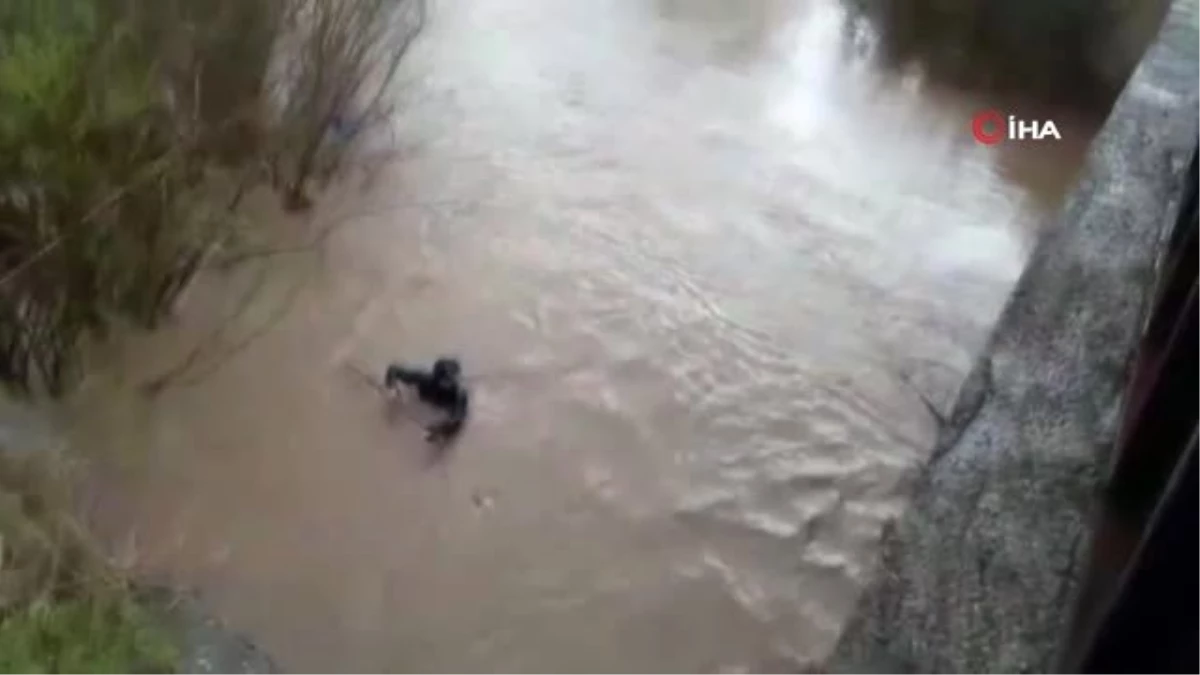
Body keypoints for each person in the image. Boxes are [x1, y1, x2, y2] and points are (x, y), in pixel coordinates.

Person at [383, 357, 470, 444]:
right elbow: (393, 370)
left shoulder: (459, 395)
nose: (444, 385)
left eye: (448, 381)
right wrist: (391, 388)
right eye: (440, 380)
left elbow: (457, 421)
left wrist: (439, 430)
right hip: (418, 398)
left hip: (440, 411)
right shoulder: (424, 379)